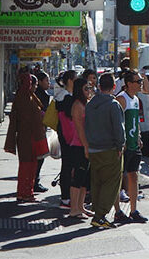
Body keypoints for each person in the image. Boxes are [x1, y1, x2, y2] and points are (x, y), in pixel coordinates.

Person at [84, 73, 125, 229]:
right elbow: (118, 130)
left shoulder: (90, 104)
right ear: (114, 87)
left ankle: (97, 211)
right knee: (112, 183)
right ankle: (100, 215)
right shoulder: (113, 105)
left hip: (94, 149)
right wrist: (120, 145)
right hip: (110, 149)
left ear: (99, 87)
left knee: (97, 181)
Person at [4, 72, 47, 203]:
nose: (35, 87)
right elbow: (31, 116)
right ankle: (25, 193)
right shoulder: (25, 98)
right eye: (34, 85)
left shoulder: (26, 96)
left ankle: (26, 192)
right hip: (28, 137)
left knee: (29, 166)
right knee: (27, 167)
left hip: (27, 136)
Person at [113, 70, 148, 224]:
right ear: (128, 84)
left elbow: (136, 121)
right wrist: (121, 142)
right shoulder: (122, 99)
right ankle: (118, 211)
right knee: (118, 178)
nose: (141, 84)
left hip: (134, 145)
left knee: (134, 176)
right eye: (138, 81)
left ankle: (133, 210)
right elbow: (116, 123)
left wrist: (138, 137)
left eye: (141, 81)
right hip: (124, 146)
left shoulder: (135, 99)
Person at [59, 77, 92, 220]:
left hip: (86, 145)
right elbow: (79, 129)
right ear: (80, 90)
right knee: (77, 178)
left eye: (90, 88)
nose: (89, 91)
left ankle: (80, 206)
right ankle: (74, 209)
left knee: (84, 179)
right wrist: (85, 146)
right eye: (86, 88)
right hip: (79, 146)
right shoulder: (77, 105)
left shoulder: (86, 104)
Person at [54, 70, 77, 209]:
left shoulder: (64, 96)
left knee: (68, 165)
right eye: (75, 80)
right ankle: (65, 198)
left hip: (66, 134)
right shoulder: (65, 97)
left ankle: (67, 197)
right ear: (69, 81)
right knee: (67, 166)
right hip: (67, 135)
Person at [34, 71, 51, 193]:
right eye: (46, 81)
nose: (48, 83)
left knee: (40, 156)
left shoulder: (43, 94)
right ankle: (35, 181)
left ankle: (35, 181)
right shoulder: (38, 95)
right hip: (37, 130)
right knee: (39, 156)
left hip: (41, 129)